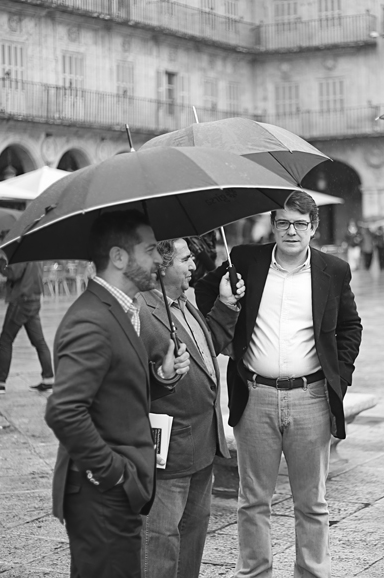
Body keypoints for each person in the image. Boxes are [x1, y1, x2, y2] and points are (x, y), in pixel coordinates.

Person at [195, 191, 363, 578]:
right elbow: (203, 293)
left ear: (313, 228)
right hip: (255, 396)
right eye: (283, 222)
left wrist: (340, 378)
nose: (291, 231)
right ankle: (255, 572)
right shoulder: (244, 261)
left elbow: (350, 326)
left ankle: (312, 572)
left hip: (311, 397)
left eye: (300, 224)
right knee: (253, 500)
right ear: (272, 225)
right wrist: (227, 311)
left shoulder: (333, 270)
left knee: (312, 502)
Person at [44, 211, 191, 578]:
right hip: (102, 495)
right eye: (150, 250)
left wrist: (162, 376)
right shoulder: (91, 319)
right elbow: (64, 411)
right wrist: (114, 474)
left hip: (116, 495)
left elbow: (116, 389)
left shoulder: (123, 310)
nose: (159, 260)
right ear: (119, 257)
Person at [138, 238, 244, 578]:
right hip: (171, 450)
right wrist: (159, 376)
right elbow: (121, 375)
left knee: (193, 533)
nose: (194, 266)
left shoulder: (186, 303)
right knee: (161, 538)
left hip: (203, 442)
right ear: (161, 265)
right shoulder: (141, 310)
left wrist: (226, 303)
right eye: (185, 260)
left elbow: (206, 350)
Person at [0, 254, 54, 394]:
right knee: (39, 342)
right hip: (33, 299)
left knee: (6, 340)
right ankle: (48, 380)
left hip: (21, 301)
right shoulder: (36, 252)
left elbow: (13, 273)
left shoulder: (23, 252)